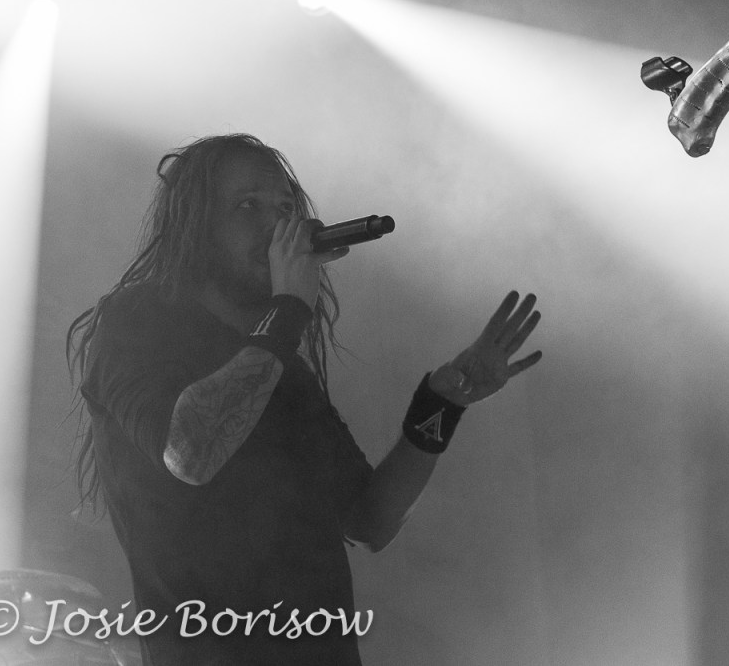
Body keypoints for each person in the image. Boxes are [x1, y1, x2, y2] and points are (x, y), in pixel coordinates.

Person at [67, 134, 541, 665]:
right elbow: (190, 453)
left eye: (286, 209)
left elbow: (370, 520)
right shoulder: (138, 321)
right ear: (195, 223)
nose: (278, 227)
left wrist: (440, 405)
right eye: (248, 206)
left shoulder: (280, 366)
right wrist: (288, 307)